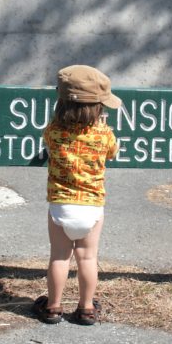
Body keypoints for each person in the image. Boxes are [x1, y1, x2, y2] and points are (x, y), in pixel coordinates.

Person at [32, 64, 121, 325]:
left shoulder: (53, 131)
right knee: (88, 257)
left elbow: (47, 142)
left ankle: (53, 307)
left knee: (59, 257)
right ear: (98, 108)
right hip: (92, 208)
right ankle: (86, 308)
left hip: (61, 206)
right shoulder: (103, 134)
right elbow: (112, 152)